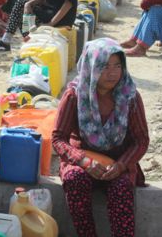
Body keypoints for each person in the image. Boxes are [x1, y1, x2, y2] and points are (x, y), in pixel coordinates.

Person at [52, 38, 149, 237]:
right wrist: (83, 161)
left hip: (117, 163)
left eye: (117, 66)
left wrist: (121, 165)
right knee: (74, 179)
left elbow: (141, 140)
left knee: (121, 188)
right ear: (91, 66)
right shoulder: (75, 96)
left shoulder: (129, 96)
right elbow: (58, 138)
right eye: (105, 66)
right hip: (82, 162)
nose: (113, 73)